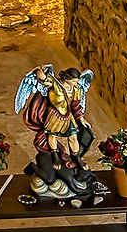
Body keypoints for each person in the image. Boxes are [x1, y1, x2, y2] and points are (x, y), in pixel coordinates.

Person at [15, 64, 102, 202]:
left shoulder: (75, 89)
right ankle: (55, 156)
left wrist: (81, 118)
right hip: (54, 115)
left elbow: (75, 105)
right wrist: (40, 72)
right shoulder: (55, 84)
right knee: (52, 136)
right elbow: (43, 79)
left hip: (68, 116)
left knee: (73, 137)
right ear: (67, 79)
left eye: (77, 80)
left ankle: (76, 158)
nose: (76, 83)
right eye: (74, 80)